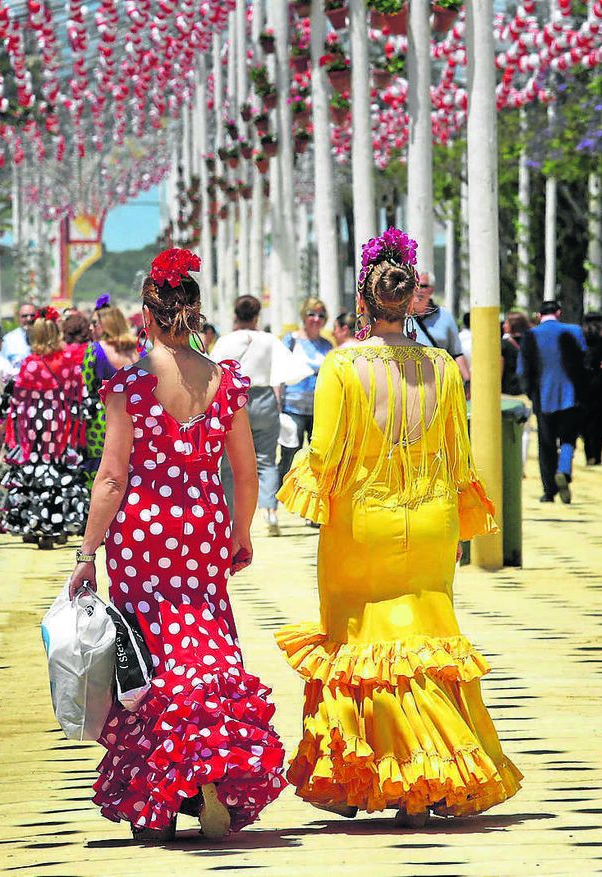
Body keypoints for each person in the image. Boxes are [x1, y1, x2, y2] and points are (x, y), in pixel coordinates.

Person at [275, 228, 520, 824]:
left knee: (361, 643)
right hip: (433, 517)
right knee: (428, 639)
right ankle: (435, 773)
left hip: (364, 520)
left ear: (363, 303)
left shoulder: (341, 365)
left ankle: (370, 773)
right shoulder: (440, 365)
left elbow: (326, 452)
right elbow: (458, 456)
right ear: (411, 301)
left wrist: (299, 496)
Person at [66, 247, 285, 842]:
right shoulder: (226, 382)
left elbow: (111, 477)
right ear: (191, 313)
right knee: (206, 641)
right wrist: (240, 533)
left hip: (142, 535)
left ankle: (158, 797)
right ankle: (210, 764)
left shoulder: (131, 386)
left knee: (151, 655)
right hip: (203, 529)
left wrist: (87, 554)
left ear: (149, 315)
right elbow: (245, 470)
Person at [211, 294, 312, 537]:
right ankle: (270, 511)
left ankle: (229, 514)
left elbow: (213, 371)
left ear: (236, 315)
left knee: (228, 462)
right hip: (265, 398)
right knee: (266, 459)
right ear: (257, 316)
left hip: (235, 400)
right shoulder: (268, 340)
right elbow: (293, 370)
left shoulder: (225, 341)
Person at [0, 307, 89, 549]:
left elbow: (17, 399)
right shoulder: (68, 362)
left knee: (33, 473)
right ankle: (57, 524)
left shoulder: (29, 364)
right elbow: (79, 395)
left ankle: (32, 522)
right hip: (60, 427)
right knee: (58, 473)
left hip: (31, 430)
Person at [518, 300, 586, 504]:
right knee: (568, 438)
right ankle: (564, 469)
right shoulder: (575, 330)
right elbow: (583, 360)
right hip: (571, 396)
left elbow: (522, 370)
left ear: (539, 315)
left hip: (543, 396)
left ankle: (549, 491)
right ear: (559, 312)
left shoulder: (531, 335)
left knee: (546, 444)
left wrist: (530, 393)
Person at [81, 305, 141, 479]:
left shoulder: (95, 351)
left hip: (102, 423)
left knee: (102, 474)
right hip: (136, 420)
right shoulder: (140, 350)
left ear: (106, 325)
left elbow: (85, 385)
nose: (91, 328)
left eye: (95, 323)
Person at [278, 298, 335, 477]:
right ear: (304, 316)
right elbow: (279, 373)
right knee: (290, 452)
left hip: (319, 409)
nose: (316, 319)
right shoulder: (290, 340)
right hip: (291, 408)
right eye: (311, 314)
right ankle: (283, 492)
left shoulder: (327, 345)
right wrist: (277, 405)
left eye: (321, 315)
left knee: (317, 454)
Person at [409, 272, 471, 387]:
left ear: (431, 290)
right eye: (414, 284)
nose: (418, 289)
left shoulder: (445, 316)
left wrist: (467, 381)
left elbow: (456, 353)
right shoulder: (401, 317)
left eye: (423, 286)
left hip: (440, 382)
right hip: (411, 383)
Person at [580, 314, 602, 465]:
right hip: (600, 386)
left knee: (586, 423)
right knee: (598, 424)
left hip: (583, 386)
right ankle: (597, 455)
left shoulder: (580, 342)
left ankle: (589, 455)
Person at [501, 311, 530, 397]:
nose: (503, 326)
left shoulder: (503, 344)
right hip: (527, 390)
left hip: (508, 392)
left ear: (512, 325)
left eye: (506, 323)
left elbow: (500, 368)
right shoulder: (531, 342)